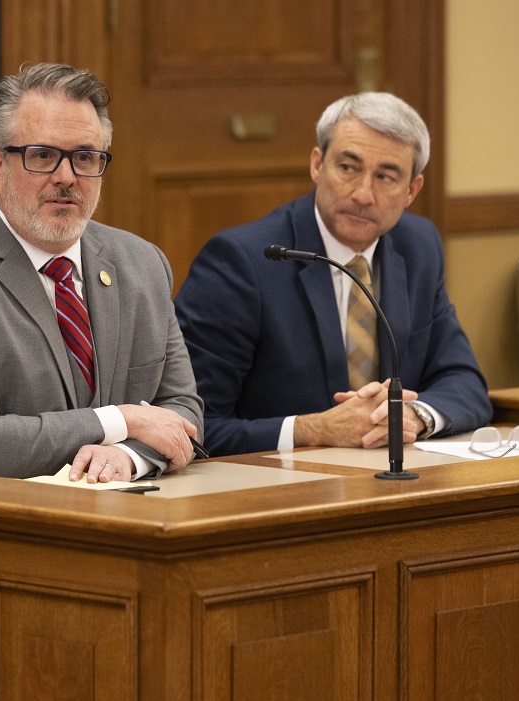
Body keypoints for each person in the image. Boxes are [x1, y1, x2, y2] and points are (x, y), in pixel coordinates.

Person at [0, 63, 203, 482]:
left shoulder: (142, 263)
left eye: (85, 158)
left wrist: (130, 456)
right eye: (43, 156)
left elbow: (182, 408)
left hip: (115, 518)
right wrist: (121, 419)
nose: (66, 177)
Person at [174, 92, 492, 457]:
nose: (362, 194)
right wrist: (314, 429)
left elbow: (465, 383)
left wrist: (413, 416)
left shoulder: (418, 247)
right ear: (317, 164)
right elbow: (192, 423)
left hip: (394, 481)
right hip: (275, 489)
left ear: (412, 191)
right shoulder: (242, 261)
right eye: (348, 167)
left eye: (386, 177)